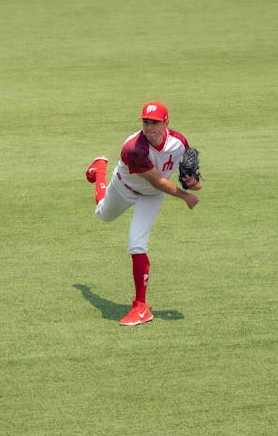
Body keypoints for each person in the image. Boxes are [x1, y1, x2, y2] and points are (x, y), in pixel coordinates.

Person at [84, 101, 201, 326]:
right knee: (102, 214)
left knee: (136, 243)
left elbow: (191, 181)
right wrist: (185, 197)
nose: (149, 127)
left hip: (151, 197)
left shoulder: (179, 142)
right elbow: (158, 181)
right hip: (123, 188)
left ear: (166, 122)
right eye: (146, 122)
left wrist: (192, 183)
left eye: (155, 122)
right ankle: (100, 171)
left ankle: (141, 306)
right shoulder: (134, 148)